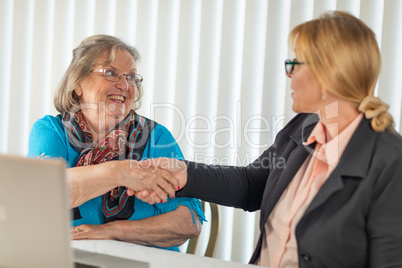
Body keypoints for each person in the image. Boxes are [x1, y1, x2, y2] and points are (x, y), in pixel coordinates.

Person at [136, 11, 402, 267]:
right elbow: (252, 185)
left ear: (328, 76)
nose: (289, 73)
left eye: (295, 63)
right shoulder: (304, 127)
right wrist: (184, 174)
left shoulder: (389, 161)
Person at [28, 35, 205, 252]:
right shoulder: (51, 130)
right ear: (77, 83)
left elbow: (190, 222)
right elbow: (43, 195)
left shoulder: (156, 137)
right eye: (111, 73)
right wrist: (119, 172)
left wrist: (112, 231)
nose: (124, 85)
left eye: (131, 77)